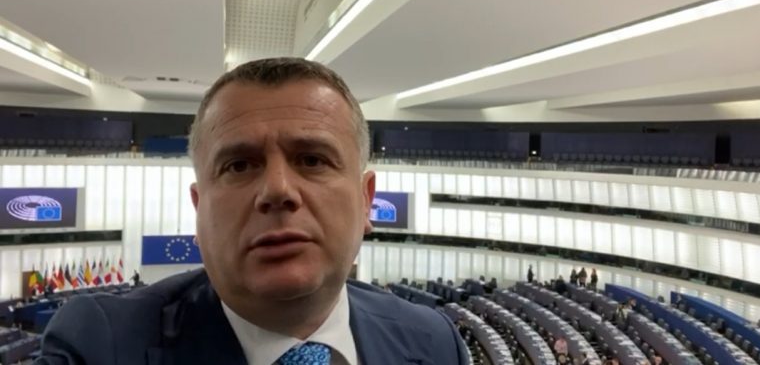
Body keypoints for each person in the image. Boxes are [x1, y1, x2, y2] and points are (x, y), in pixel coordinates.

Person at [36, 58, 469, 364]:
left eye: (312, 160)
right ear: (199, 208)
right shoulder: (99, 345)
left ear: (365, 199)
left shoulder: (435, 342)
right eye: (239, 166)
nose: (277, 190)